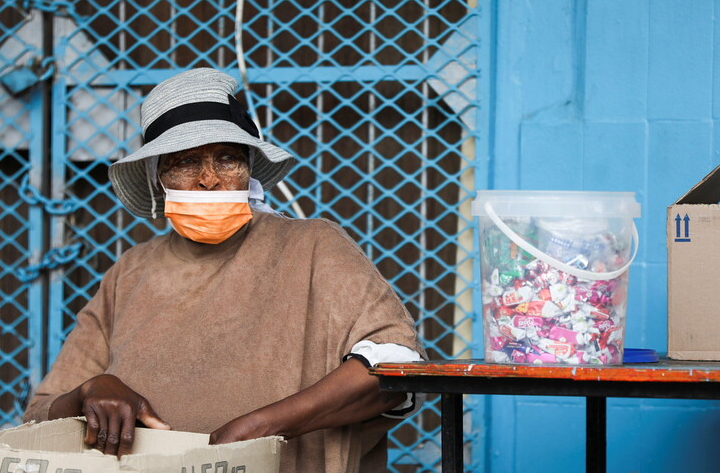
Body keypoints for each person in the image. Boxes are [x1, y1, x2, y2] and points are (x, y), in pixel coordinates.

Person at [23, 68, 425, 473]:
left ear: (249, 169)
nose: (209, 179)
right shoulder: (131, 272)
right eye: (185, 162)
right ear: (158, 178)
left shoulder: (313, 247)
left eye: (228, 158)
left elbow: (395, 368)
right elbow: (41, 414)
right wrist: (91, 390)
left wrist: (261, 427)